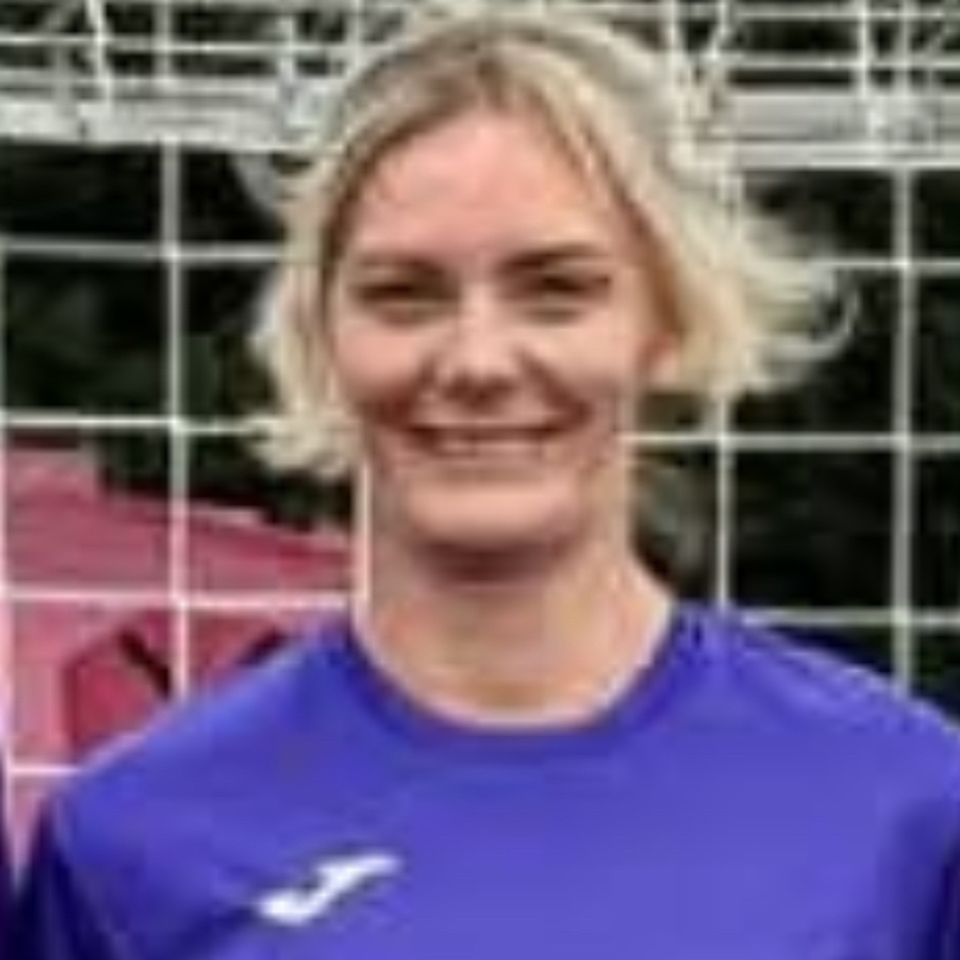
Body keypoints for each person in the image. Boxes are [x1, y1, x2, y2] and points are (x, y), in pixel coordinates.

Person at [14, 7, 960, 958]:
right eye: (403, 294)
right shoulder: (131, 841)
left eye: (557, 290)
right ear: (320, 336)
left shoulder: (904, 805)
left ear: (668, 318)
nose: (478, 361)